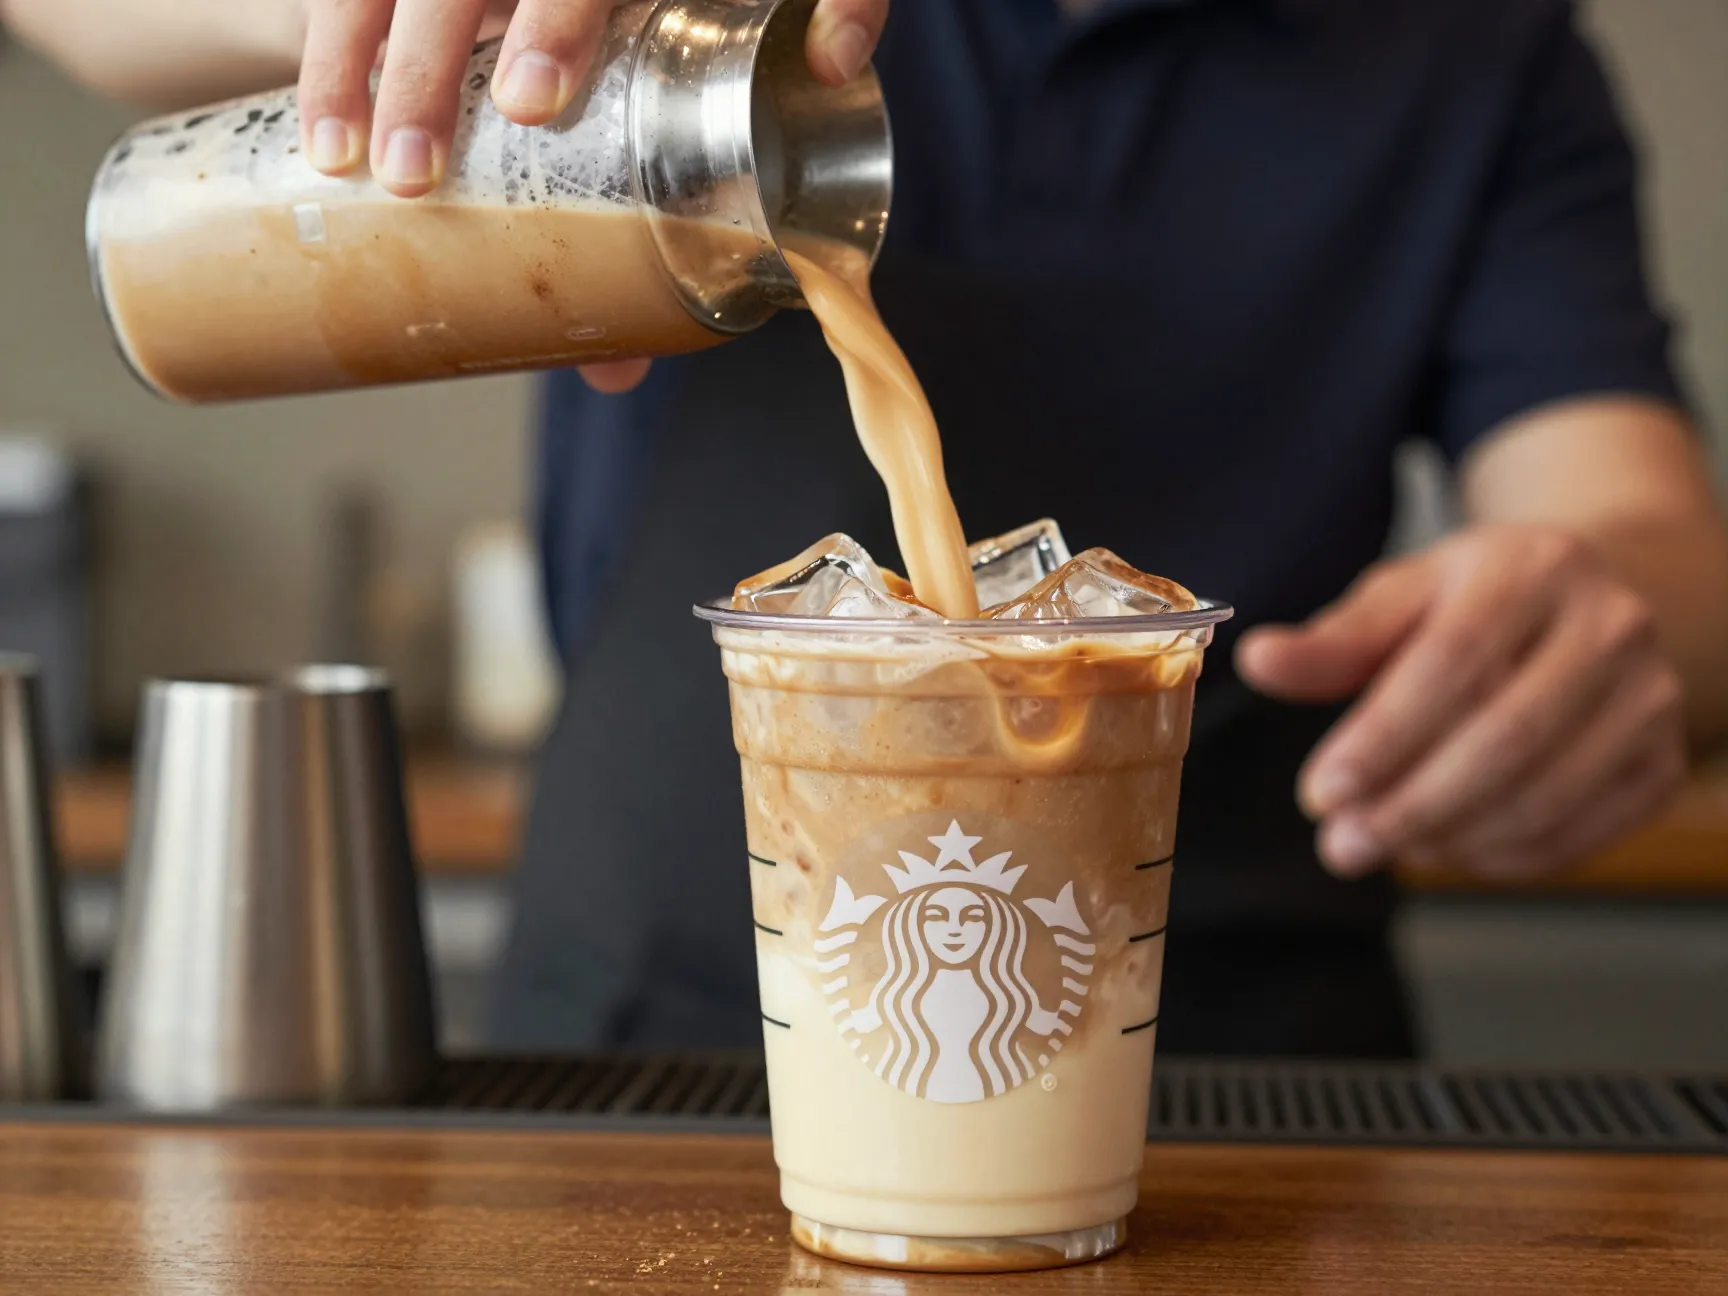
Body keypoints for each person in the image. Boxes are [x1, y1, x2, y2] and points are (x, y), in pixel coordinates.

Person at [13, 0, 1728, 1058]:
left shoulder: (1481, 51)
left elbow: (1640, 529)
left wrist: (1604, 618)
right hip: (644, 1032)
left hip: (1232, 1050)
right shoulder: (722, 18)